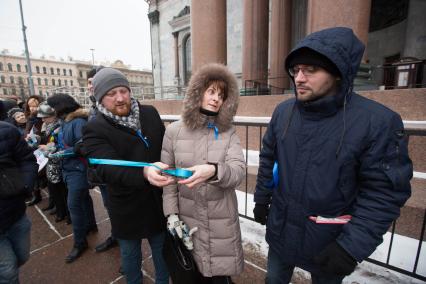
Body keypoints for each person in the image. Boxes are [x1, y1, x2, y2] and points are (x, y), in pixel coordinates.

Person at [253, 27, 413, 284]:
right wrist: (262, 199)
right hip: (282, 227)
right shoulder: (283, 112)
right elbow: (268, 159)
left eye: (311, 70)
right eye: (296, 70)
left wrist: (350, 247)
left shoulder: (377, 122)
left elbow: (383, 193)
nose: (299, 78)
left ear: (338, 73)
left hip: (330, 241)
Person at [82, 68, 171, 284]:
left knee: (163, 252)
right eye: (112, 94)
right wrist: (144, 171)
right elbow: (106, 168)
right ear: (100, 98)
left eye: (123, 91)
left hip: (157, 200)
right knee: (131, 256)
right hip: (125, 205)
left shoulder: (150, 113)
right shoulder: (95, 127)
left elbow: (168, 147)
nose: (120, 98)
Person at [162, 63, 246, 283]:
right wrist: (171, 214)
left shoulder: (228, 132)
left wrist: (214, 170)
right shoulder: (173, 131)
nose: (216, 98)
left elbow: (238, 171)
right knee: (191, 274)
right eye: (211, 91)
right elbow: (168, 179)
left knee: (218, 276)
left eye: (221, 94)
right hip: (187, 220)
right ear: (197, 92)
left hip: (220, 222)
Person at [47, 93, 97, 263]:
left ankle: (80, 242)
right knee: (83, 199)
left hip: (77, 169)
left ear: (60, 107)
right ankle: (91, 224)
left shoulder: (77, 122)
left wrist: (61, 153)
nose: (50, 111)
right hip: (69, 168)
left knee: (74, 205)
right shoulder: (66, 121)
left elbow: (83, 147)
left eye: (52, 107)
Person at [0, 100, 38, 283]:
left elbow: (27, 160)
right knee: (8, 270)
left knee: (21, 257)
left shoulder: (6, 131)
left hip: (16, 213)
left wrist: (25, 186)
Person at [85, 65, 117, 252]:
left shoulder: (111, 107)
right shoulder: (94, 106)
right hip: (101, 170)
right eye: (89, 82)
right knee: (109, 205)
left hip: (113, 167)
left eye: (94, 82)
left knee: (117, 206)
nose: (90, 86)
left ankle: (126, 243)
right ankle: (117, 235)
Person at [37, 102, 70, 223]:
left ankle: (65, 213)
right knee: (54, 189)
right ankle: (60, 210)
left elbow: (60, 145)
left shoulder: (59, 127)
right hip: (51, 161)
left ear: (54, 115)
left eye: (46, 117)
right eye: (42, 117)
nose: (43, 120)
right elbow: (48, 140)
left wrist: (48, 148)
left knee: (62, 190)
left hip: (59, 162)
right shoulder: (48, 126)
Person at [23, 95, 45, 206]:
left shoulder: (41, 118)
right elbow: (27, 131)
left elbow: (41, 133)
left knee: (42, 172)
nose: (32, 108)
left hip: (41, 145)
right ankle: (36, 194)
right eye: (30, 106)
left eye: (34, 106)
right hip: (32, 146)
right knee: (35, 171)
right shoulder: (30, 117)